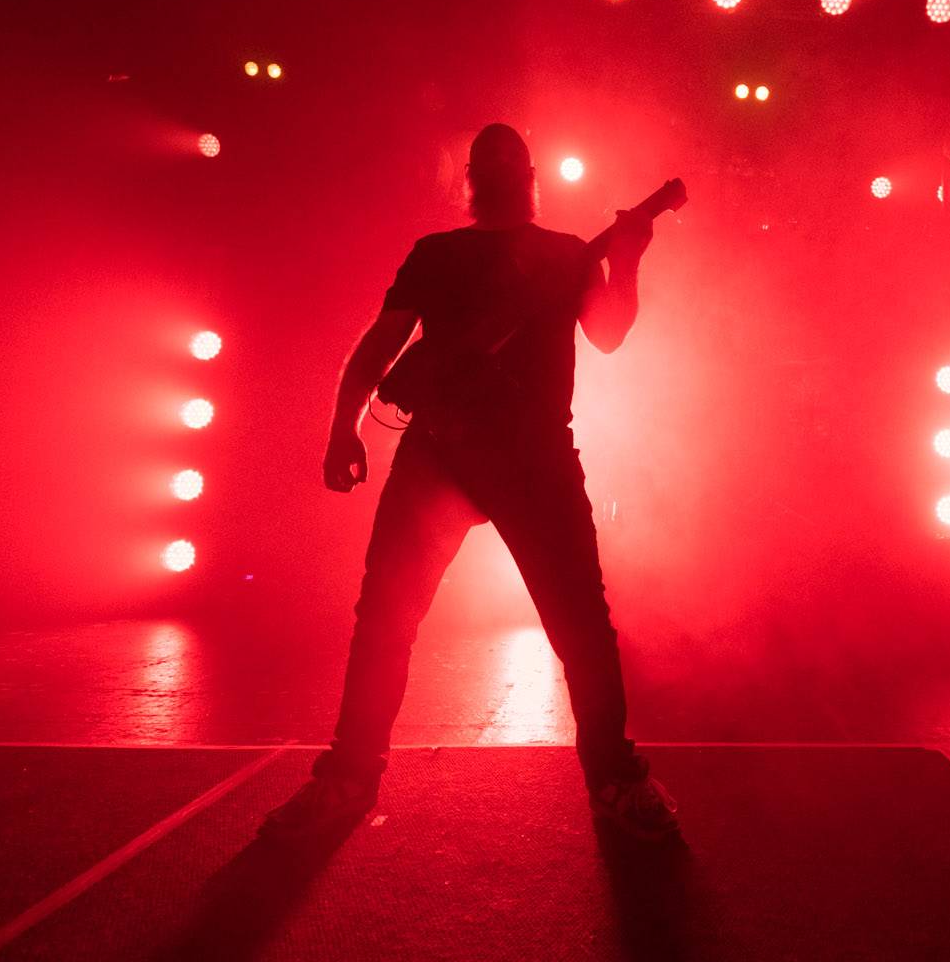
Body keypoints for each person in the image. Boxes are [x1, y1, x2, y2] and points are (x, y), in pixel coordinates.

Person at [263, 123, 680, 842]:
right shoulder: (564, 254)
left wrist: (345, 426)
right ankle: (613, 780)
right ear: (532, 177)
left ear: (470, 182)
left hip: (446, 455)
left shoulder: (441, 253)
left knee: (387, 622)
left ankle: (349, 777)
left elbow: (379, 346)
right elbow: (611, 332)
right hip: (526, 460)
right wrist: (631, 259)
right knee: (581, 627)